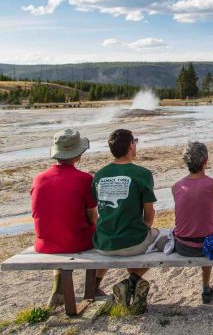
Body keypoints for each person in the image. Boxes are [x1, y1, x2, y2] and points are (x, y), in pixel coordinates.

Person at [31, 128, 102, 307]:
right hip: (76, 241)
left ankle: (58, 287)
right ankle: (94, 286)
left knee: (60, 227)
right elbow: (93, 217)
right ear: (78, 155)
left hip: (45, 242)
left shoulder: (39, 179)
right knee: (103, 233)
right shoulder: (85, 179)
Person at [92, 129, 158, 313]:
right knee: (163, 240)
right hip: (132, 242)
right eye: (134, 141)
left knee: (123, 236)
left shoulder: (99, 175)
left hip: (103, 243)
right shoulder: (142, 173)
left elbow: (96, 208)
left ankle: (95, 286)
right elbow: (149, 214)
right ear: (130, 146)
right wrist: (145, 227)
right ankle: (131, 282)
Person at [171, 141, 213, 304]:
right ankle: (205, 288)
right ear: (206, 161)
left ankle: (209, 284)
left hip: (182, 245)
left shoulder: (176, 186)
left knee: (203, 229)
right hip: (205, 245)